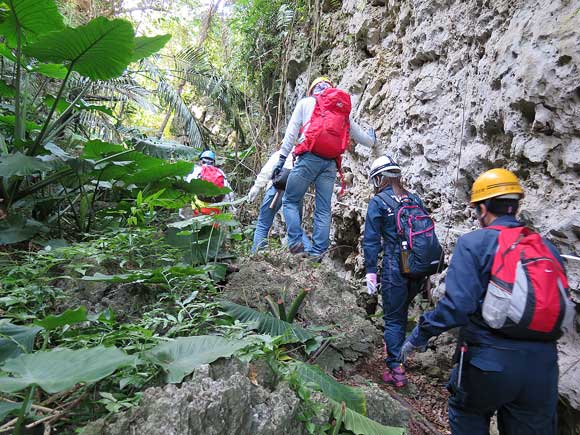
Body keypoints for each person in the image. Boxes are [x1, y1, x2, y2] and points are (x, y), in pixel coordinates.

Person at [400, 168, 574, 434]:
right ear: (515, 205)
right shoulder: (546, 247)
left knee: (466, 414)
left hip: (488, 362)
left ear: (483, 208)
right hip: (542, 366)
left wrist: (420, 334)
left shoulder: (475, 243)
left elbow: (457, 307)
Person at [274, 76, 376, 258]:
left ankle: (297, 243)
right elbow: (363, 138)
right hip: (330, 163)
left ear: (312, 89)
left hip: (309, 158)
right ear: (330, 89)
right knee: (323, 209)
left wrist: (281, 160)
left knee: (290, 200)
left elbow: (290, 135)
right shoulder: (340, 110)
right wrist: (372, 139)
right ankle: (318, 252)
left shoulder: (306, 103)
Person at [363, 155, 431, 387]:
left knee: (393, 319)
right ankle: (400, 355)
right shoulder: (415, 200)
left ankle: (396, 369)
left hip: (395, 266)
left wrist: (371, 271)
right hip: (418, 269)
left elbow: (371, 240)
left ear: (379, 178)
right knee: (401, 314)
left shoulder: (379, 203)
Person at [247, 149, 312, 253]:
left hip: (276, 189)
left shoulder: (282, 153)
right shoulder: (304, 156)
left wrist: (256, 187)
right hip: (296, 190)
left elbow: (267, 171)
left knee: (263, 223)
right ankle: (309, 251)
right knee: (294, 225)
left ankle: (257, 254)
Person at [180, 149, 234, 218]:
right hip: (215, 210)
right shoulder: (220, 172)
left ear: (201, 161)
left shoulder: (197, 171)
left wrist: (182, 212)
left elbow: (186, 189)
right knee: (213, 228)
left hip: (199, 209)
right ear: (213, 162)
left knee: (200, 228)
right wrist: (231, 209)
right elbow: (229, 193)